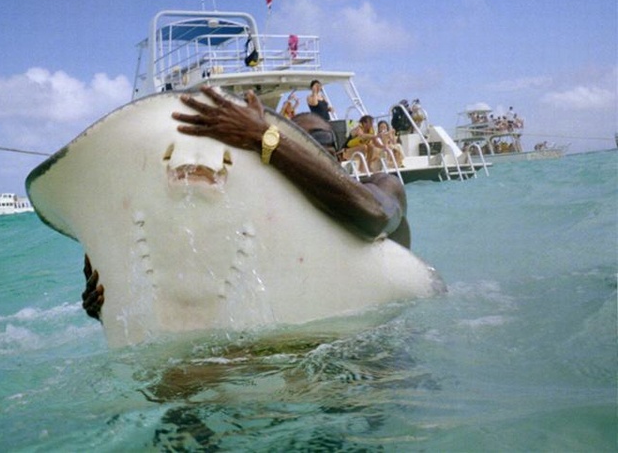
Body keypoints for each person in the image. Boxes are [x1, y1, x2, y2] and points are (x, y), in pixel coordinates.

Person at [82, 86, 412, 320]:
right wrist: (111, 303)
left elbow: (375, 217)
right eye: (297, 139)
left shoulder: (382, 185)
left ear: (339, 153)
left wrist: (263, 138)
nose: (306, 147)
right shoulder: (267, 209)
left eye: (318, 141)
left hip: (371, 340)